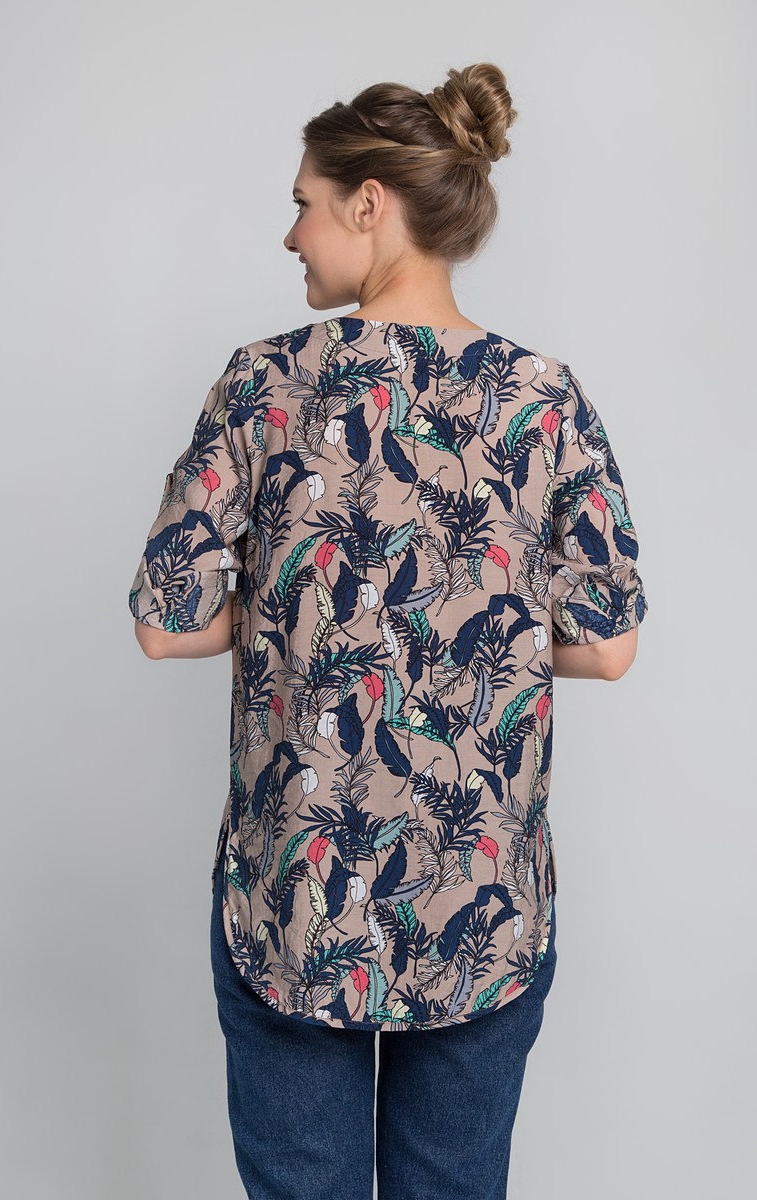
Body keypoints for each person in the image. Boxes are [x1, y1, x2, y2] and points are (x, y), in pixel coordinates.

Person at [128, 62, 648, 1200]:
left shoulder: (267, 383)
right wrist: (470, 633)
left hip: (296, 900)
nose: (291, 235)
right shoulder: (543, 397)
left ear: (369, 203)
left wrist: (295, 615)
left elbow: (167, 622)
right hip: (479, 902)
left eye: (304, 203)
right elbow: (608, 645)